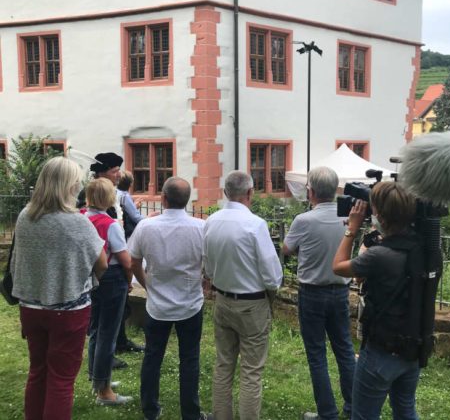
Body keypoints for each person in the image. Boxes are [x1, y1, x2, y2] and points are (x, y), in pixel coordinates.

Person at [12, 156, 108, 420]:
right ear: (68, 186)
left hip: (30, 307)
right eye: (76, 183)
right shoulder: (77, 222)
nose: (78, 187)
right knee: (61, 379)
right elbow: (102, 262)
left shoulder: (24, 216)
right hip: (69, 309)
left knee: (38, 371)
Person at [332, 181, 420, 420]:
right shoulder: (422, 249)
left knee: (363, 415)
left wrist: (352, 228)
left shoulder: (380, 255)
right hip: (412, 347)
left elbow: (339, 267)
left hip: (381, 349)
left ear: (379, 214)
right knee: (405, 410)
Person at [203, 170, 283, 420]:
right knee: (251, 371)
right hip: (252, 303)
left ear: (226, 192)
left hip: (224, 300)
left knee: (224, 364)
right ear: (250, 193)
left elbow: (206, 265)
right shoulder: (255, 224)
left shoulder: (211, 221)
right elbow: (271, 273)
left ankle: (221, 415)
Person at [129, 177, 210, 420]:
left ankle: (150, 410)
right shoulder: (200, 227)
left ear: (163, 198)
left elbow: (133, 262)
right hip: (190, 302)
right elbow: (208, 263)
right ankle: (191, 413)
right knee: (190, 358)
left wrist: (147, 285)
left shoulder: (146, 227)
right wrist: (203, 281)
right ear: (187, 200)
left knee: (153, 356)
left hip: (158, 304)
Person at [282, 166, 355, 420]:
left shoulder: (303, 220)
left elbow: (287, 248)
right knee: (344, 349)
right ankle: (353, 407)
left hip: (312, 293)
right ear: (336, 190)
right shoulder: (346, 219)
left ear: (310, 191)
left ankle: (327, 413)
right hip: (340, 291)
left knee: (316, 354)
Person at [85, 178, 133, 406]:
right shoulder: (109, 223)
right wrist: (129, 280)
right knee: (108, 333)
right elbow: (125, 260)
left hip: (92, 278)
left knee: (95, 329)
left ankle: (96, 376)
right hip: (112, 277)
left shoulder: (84, 217)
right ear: (108, 198)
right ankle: (104, 390)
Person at [115, 170, 146, 354]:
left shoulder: (116, 194)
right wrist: (151, 218)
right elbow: (136, 219)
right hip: (127, 237)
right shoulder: (124, 196)